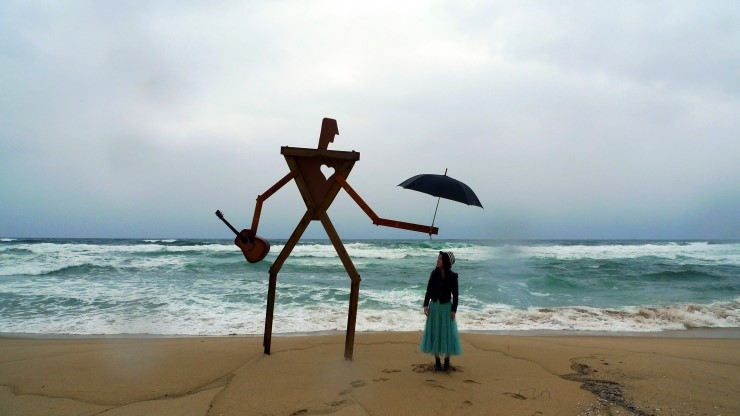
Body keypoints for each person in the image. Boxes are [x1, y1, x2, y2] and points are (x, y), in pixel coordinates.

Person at [420, 251, 462, 371]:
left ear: (446, 262)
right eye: (438, 258)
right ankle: (437, 361)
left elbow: (456, 295)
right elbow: (429, 290)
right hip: (434, 306)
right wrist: (425, 305)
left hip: (446, 308)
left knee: (447, 333)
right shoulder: (434, 274)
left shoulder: (453, 276)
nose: (437, 260)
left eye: (440, 259)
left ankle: (447, 361)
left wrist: (454, 310)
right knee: (435, 332)